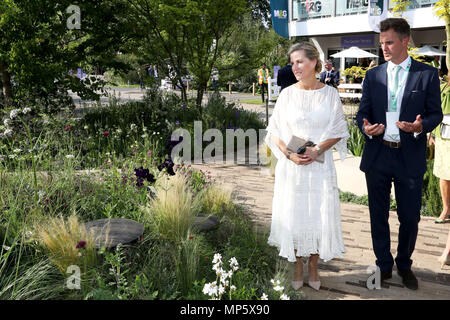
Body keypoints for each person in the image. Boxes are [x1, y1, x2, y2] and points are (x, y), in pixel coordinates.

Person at [356, 18, 443, 290]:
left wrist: (420, 126)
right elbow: (363, 113)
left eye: (389, 42)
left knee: (410, 217)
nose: (384, 48)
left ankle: (404, 265)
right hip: (378, 155)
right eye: (382, 43)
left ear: (406, 41)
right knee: (377, 215)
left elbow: (435, 114)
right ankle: (383, 266)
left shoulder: (426, 74)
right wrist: (366, 127)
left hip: (409, 157)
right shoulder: (373, 75)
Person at [265, 42, 349, 291]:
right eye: (292, 63)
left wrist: (318, 149)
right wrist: (289, 154)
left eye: (299, 61)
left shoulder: (331, 94)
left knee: (318, 215)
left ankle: (313, 265)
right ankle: (297, 265)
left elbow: (339, 130)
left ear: (314, 62)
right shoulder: (287, 94)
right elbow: (275, 132)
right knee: (294, 214)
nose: (295, 67)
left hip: (320, 167)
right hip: (293, 168)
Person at [429, 74, 450, 224]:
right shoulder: (443, 88)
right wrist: (431, 135)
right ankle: (446, 208)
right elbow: (435, 113)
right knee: (444, 175)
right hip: (443, 137)